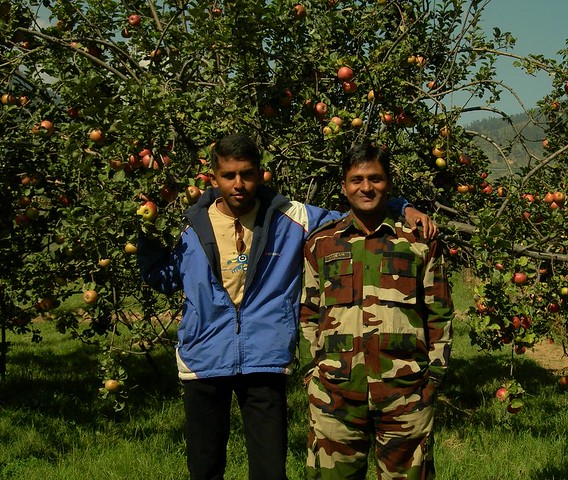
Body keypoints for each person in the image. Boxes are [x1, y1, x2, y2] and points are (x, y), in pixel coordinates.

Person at [136, 133, 438, 480]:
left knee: (269, 471)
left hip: (266, 357)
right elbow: (165, 277)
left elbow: (362, 206)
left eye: (247, 174)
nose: (238, 184)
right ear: (213, 175)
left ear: (261, 173)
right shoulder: (187, 223)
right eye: (229, 175)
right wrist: (144, 234)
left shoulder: (293, 217)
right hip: (203, 358)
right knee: (204, 469)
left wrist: (403, 206)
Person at [299, 142, 454, 480]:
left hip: (405, 393)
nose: (366, 187)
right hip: (335, 396)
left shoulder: (418, 241)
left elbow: (439, 313)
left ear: (389, 183)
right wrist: (312, 374)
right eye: (356, 180)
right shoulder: (321, 243)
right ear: (344, 186)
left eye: (375, 178)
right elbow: (308, 313)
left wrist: (433, 378)